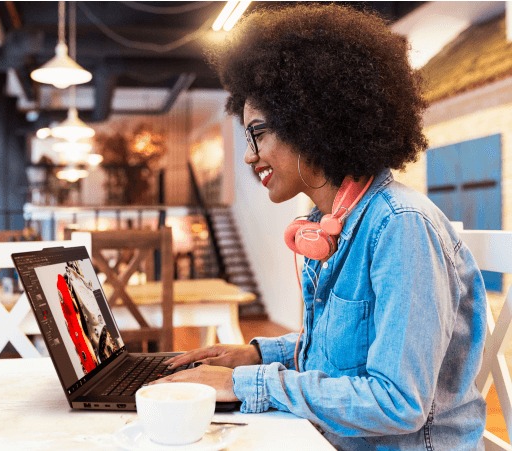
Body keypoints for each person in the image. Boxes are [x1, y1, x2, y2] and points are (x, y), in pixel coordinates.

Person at [150, 3, 488, 450]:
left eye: (258, 132)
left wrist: (251, 384)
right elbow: (345, 352)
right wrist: (255, 354)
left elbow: (398, 401)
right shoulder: (330, 224)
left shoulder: (401, 227)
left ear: (310, 123)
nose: (250, 155)